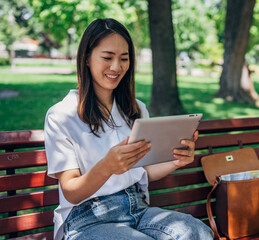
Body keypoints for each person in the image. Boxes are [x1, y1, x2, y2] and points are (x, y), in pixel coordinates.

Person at [44, 18, 213, 240]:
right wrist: (106, 167)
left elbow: (145, 171)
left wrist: (176, 161)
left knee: (197, 232)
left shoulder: (136, 109)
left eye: (124, 59)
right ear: (86, 58)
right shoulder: (62, 115)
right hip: (87, 218)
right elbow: (71, 191)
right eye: (107, 57)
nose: (117, 67)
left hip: (139, 209)